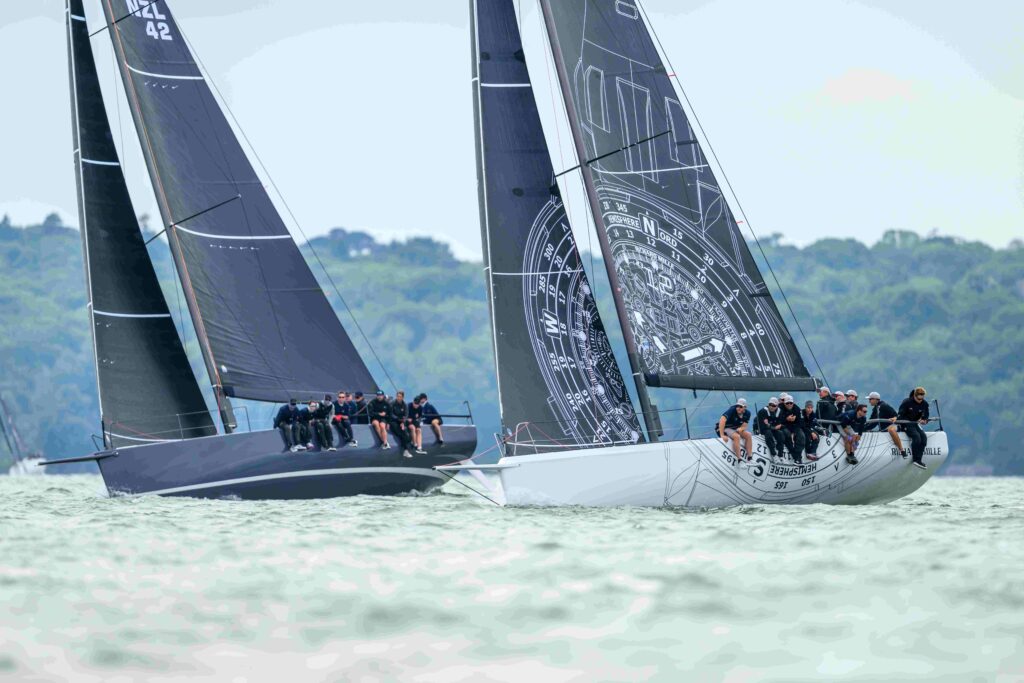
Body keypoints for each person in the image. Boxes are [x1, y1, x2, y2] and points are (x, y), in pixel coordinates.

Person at [898, 387, 930, 470]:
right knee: (917, 437)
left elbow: (926, 415)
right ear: (914, 396)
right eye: (918, 399)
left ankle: (919, 459)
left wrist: (924, 420)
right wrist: (901, 423)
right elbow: (900, 415)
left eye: (921, 399)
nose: (920, 401)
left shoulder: (924, 403)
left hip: (915, 423)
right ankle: (915, 459)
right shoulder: (907, 402)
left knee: (924, 438)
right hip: (906, 423)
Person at [717, 398, 753, 466]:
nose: (738, 408)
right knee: (737, 436)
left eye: (741, 407)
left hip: (735, 428)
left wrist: (741, 428)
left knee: (749, 435)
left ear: (745, 408)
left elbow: (745, 425)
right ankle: (739, 460)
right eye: (737, 406)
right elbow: (722, 420)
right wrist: (722, 435)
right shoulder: (732, 409)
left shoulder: (748, 413)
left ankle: (750, 458)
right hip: (726, 427)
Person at [867, 391, 903, 456]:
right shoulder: (875, 408)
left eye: (870, 399)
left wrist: (895, 418)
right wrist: (861, 429)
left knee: (891, 430)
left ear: (876, 399)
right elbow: (871, 421)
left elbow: (896, 415)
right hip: (883, 429)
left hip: (893, 426)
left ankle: (901, 450)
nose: (869, 401)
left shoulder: (884, 406)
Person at [756, 397, 786, 462]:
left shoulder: (779, 412)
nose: (772, 407)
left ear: (777, 406)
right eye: (770, 405)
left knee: (781, 434)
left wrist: (780, 426)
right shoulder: (763, 411)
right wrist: (774, 427)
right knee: (768, 433)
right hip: (764, 429)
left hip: (773, 428)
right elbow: (764, 426)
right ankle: (774, 454)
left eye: (774, 406)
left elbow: (782, 423)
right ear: (768, 404)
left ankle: (780, 455)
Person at [778, 397, 805, 463]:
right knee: (787, 434)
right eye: (787, 403)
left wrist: (796, 419)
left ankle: (798, 457)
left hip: (794, 427)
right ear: (784, 403)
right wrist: (786, 419)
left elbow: (801, 422)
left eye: (791, 403)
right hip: (783, 426)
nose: (789, 404)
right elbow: (777, 421)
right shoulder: (779, 408)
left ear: (793, 403)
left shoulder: (797, 409)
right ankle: (794, 456)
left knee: (801, 436)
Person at [389, 390, 414, 458]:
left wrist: (403, 422)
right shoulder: (392, 403)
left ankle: (407, 449)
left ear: (403, 397)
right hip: (393, 421)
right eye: (397, 396)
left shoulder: (405, 404)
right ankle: (406, 450)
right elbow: (391, 414)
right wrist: (398, 419)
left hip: (401, 421)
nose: (398, 398)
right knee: (402, 434)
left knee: (406, 434)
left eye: (400, 396)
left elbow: (406, 415)